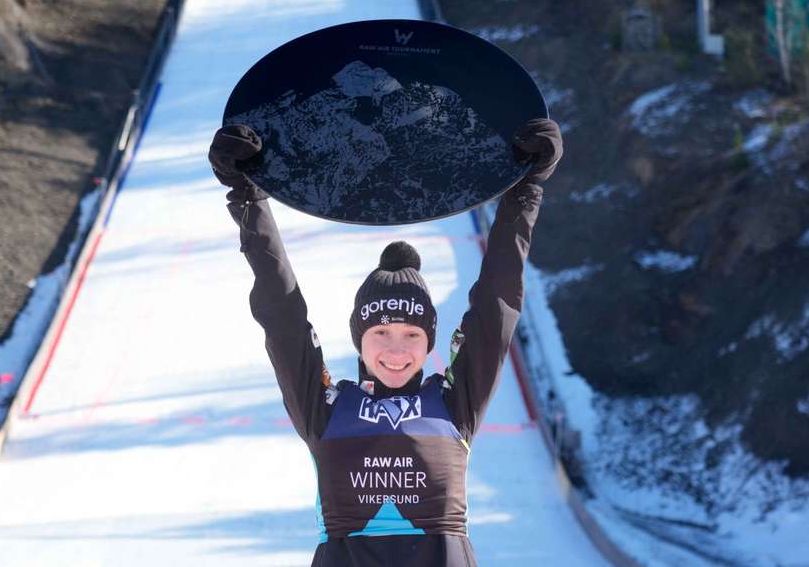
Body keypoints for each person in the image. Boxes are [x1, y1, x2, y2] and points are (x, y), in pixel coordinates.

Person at [209, 118, 562, 566]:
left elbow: (496, 304)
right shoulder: (326, 408)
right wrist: (247, 196)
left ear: (430, 340)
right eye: (380, 333)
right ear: (360, 339)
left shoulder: (455, 404)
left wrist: (526, 191)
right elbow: (284, 317)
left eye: (412, 334)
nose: (396, 350)